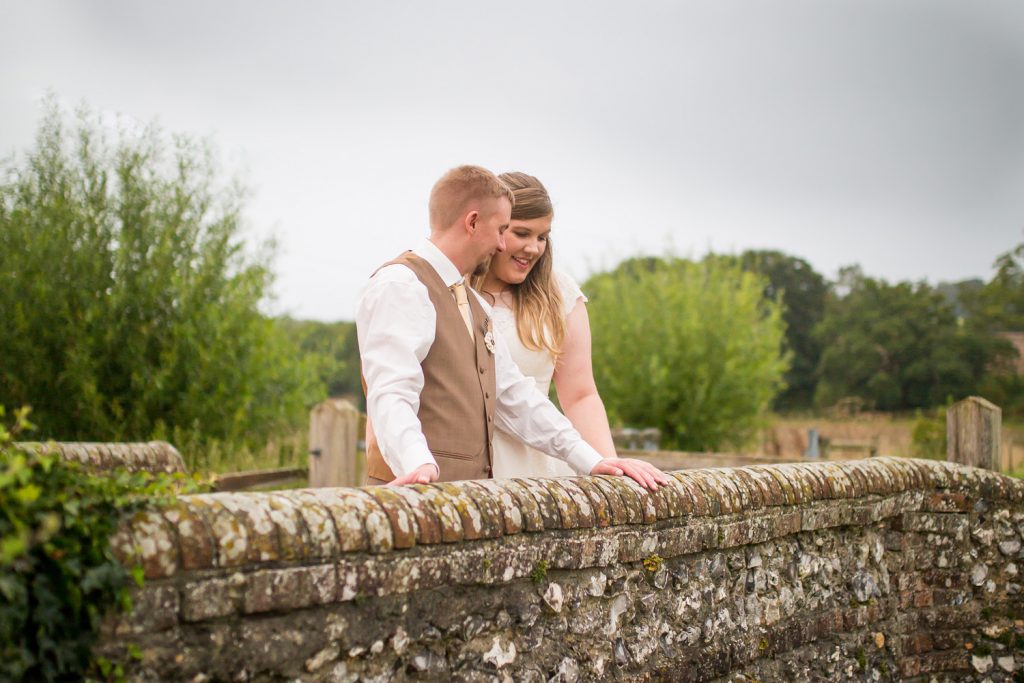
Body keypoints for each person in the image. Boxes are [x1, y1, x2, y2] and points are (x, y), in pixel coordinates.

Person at [356, 165, 667, 490]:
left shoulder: (472, 301)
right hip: (419, 490)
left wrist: (595, 460)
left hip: (471, 492)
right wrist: (416, 462)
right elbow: (391, 390)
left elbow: (512, 393)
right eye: (503, 229)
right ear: (473, 222)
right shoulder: (401, 284)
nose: (503, 246)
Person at [471, 172, 617, 478]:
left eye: (542, 237)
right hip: (465, 461)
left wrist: (609, 466)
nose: (534, 248)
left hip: (539, 466)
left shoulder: (559, 294)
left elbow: (581, 395)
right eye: (522, 233)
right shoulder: (454, 290)